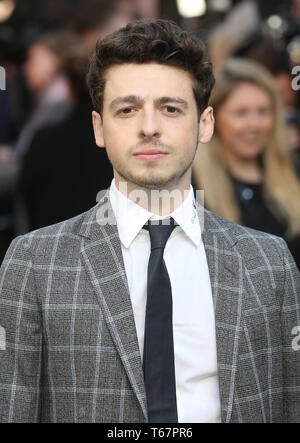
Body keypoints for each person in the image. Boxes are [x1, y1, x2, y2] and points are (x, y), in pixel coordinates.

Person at [0, 20, 299, 424]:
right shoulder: (36, 263)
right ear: (99, 127)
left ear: (205, 123)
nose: (150, 127)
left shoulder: (269, 262)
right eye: (127, 109)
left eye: (170, 108)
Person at [193, 58, 300, 271]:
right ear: (212, 118)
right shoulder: (192, 188)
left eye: (263, 112)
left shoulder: (292, 171)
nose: (254, 125)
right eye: (240, 113)